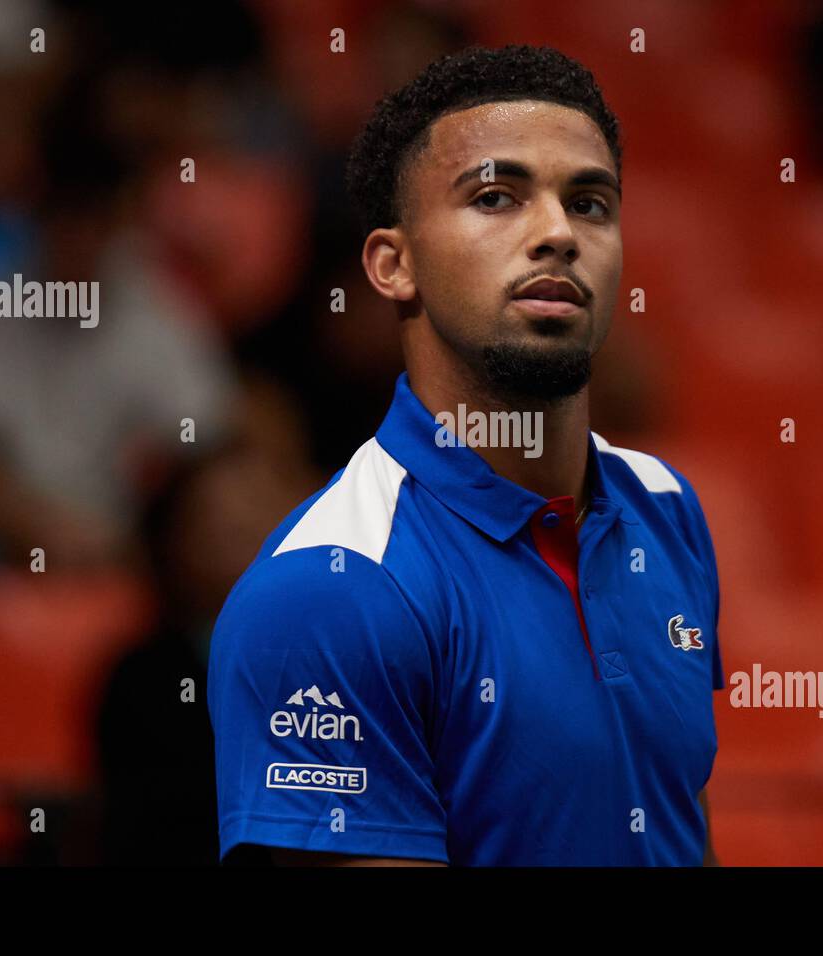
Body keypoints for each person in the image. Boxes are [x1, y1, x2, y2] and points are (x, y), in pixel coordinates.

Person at [208, 44, 725, 866]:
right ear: (393, 264)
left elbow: (674, 825)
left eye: (590, 203)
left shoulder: (667, 507)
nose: (557, 232)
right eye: (496, 196)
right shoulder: (332, 585)